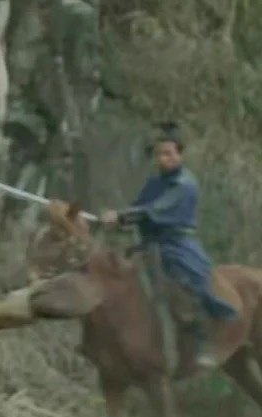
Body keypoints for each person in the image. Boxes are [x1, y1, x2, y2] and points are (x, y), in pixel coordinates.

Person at [99, 122, 237, 368]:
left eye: (168, 153)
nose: (163, 158)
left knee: (189, 284)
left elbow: (154, 210)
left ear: (179, 154)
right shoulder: (154, 183)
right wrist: (118, 221)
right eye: (159, 154)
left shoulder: (184, 184)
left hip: (178, 244)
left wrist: (120, 215)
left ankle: (203, 340)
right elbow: (139, 208)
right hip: (150, 243)